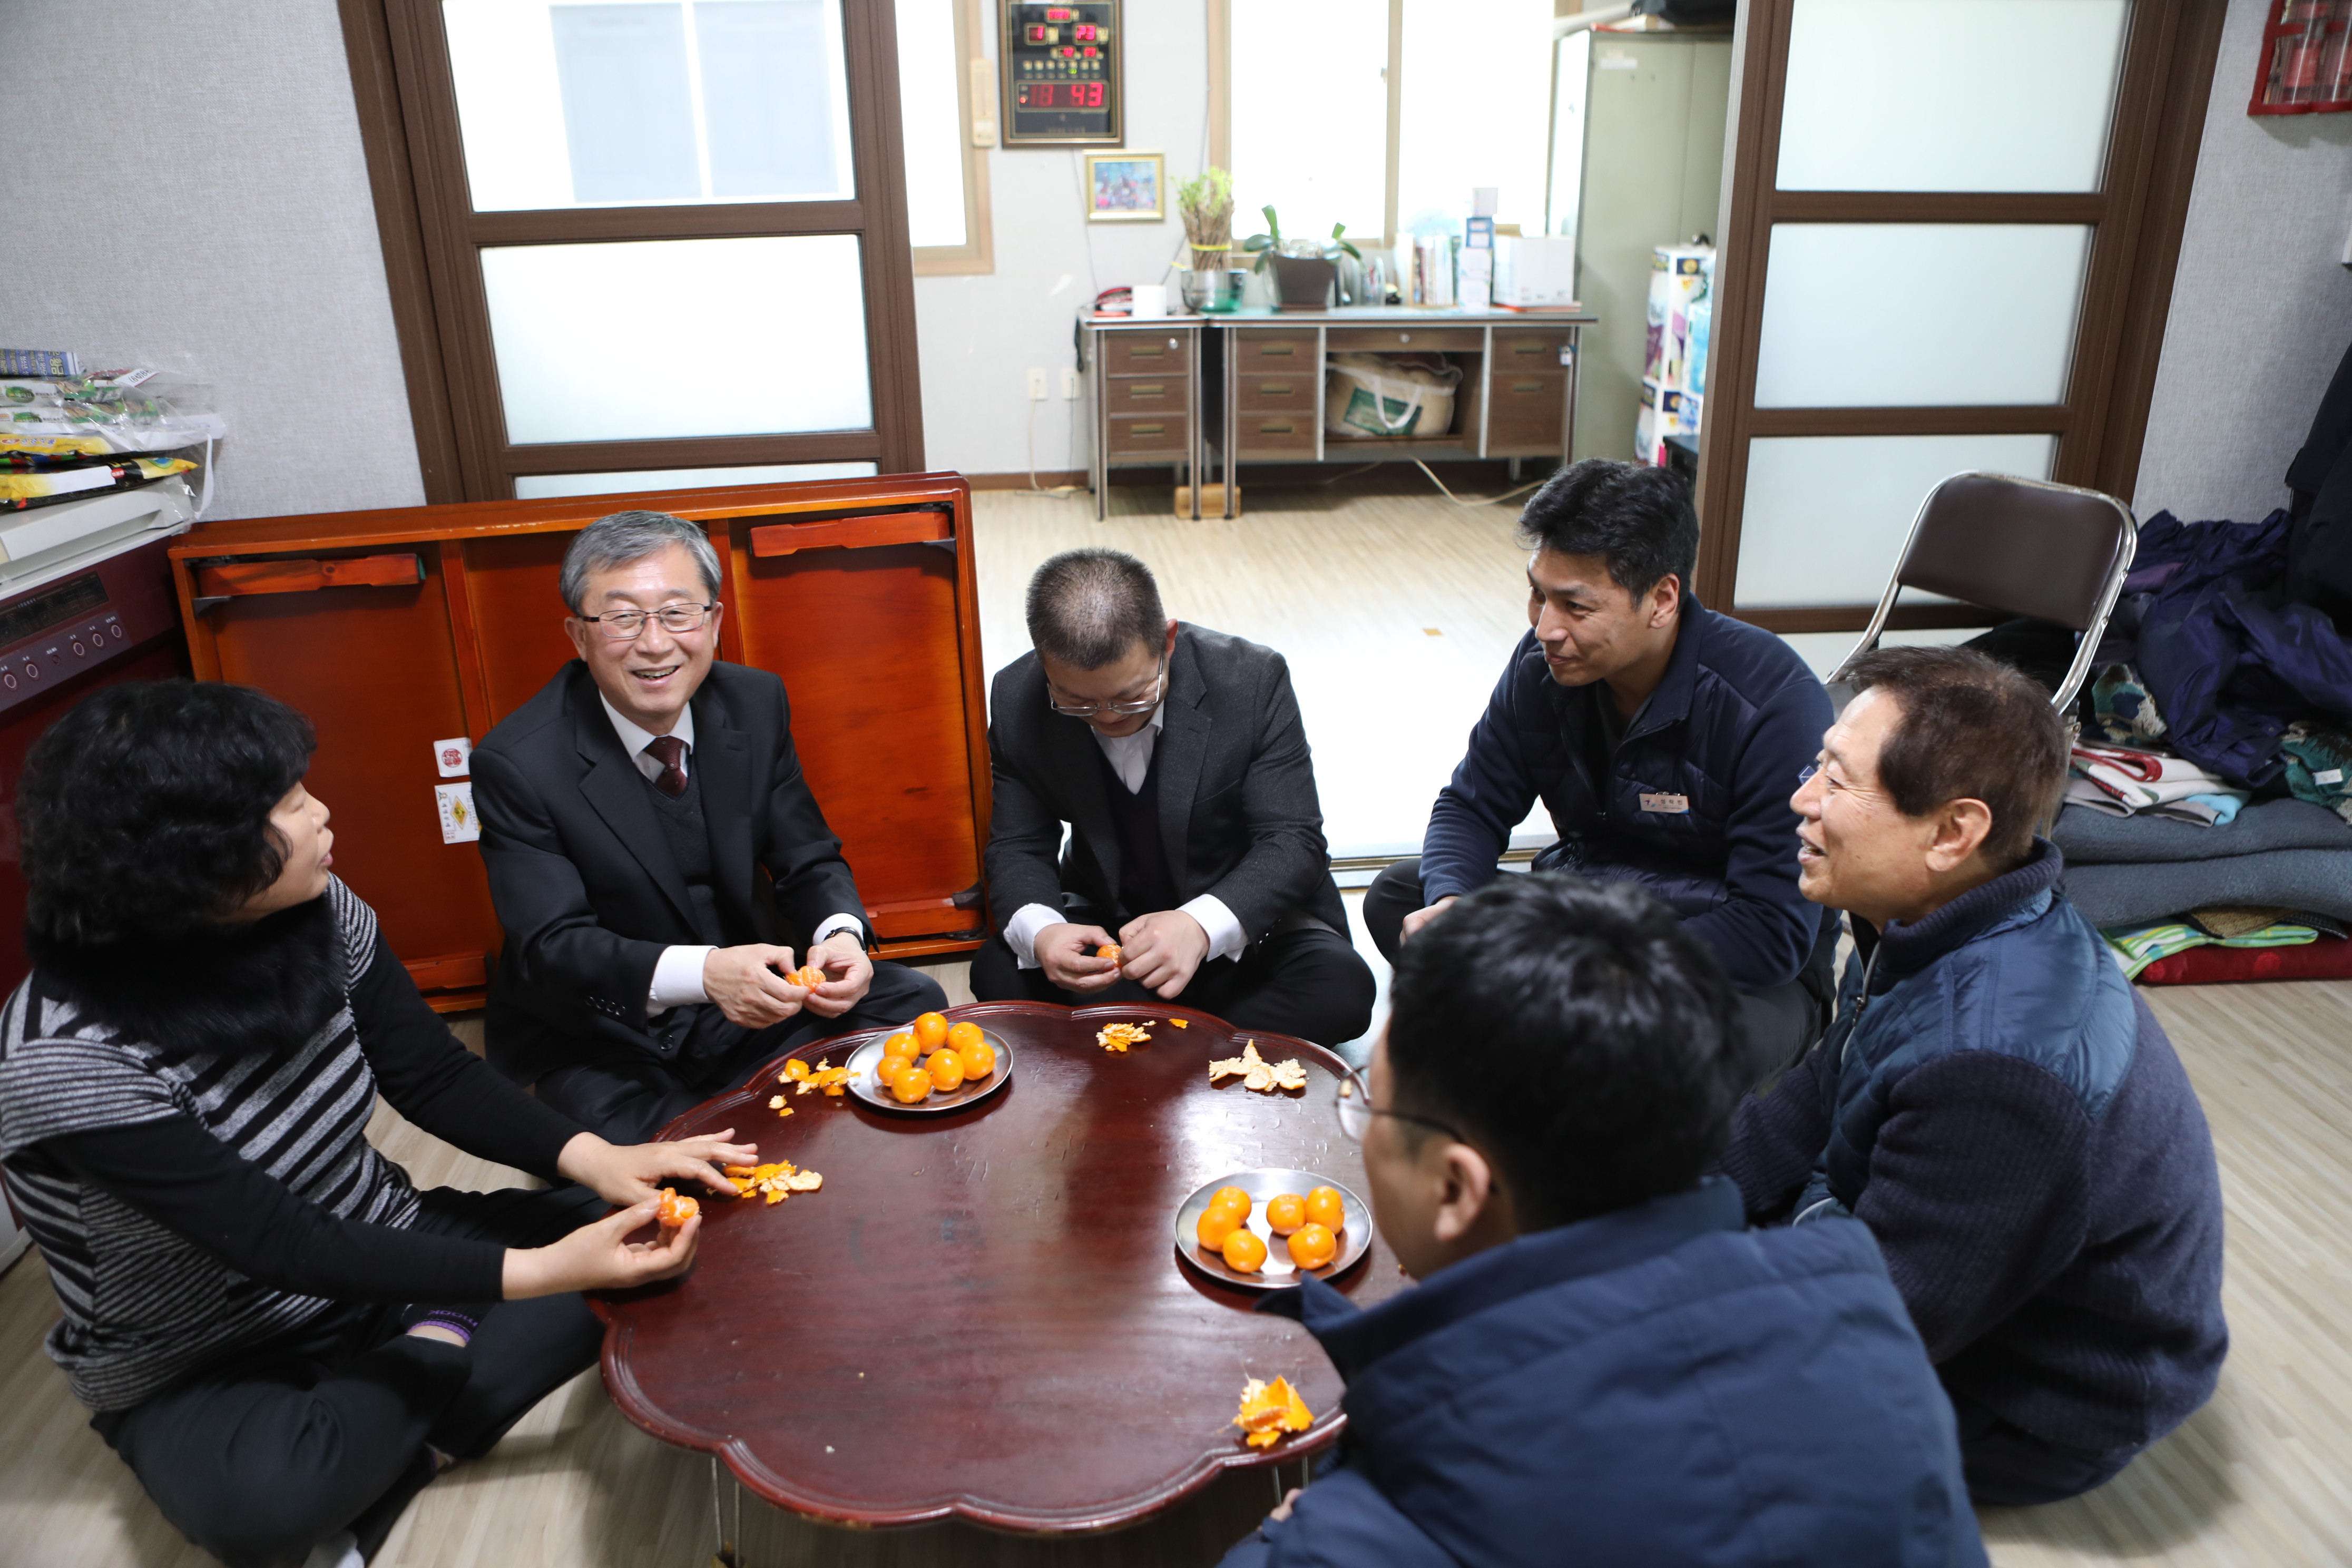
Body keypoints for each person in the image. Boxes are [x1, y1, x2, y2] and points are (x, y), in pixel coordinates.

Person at [0, 681, 757, 1568]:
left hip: (386, 1241)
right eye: (287, 802)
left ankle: (403, 1424)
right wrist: (544, 1272)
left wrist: (605, 1160)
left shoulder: (315, 908)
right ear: (188, 857)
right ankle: (448, 1342)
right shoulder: (64, 1057)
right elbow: (276, 1241)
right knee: (261, 1510)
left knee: (691, 1228)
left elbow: (431, 1075)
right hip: (206, 1350)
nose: (322, 813)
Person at [1220, 874, 1987, 1568]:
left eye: (1369, 1108)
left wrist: (1297, 1536)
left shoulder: (1392, 1517)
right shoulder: (1869, 1312)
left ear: (1456, 1187)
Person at [1716, 646, 2229, 1506]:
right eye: (1817, 766)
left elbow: (1865, 1323)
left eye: (1836, 782)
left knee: (1615, 1407)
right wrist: (1648, 1206)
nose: (1800, 800)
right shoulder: (1927, 920)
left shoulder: (1996, 1066)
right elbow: (1802, 1110)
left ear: (1952, 832)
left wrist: (1641, 1288)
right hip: (1929, 1272)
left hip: (2031, 1400)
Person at [471, 510, 947, 1143]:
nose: (655, 643)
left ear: (714, 622)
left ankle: (740, 1110)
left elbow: (809, 856)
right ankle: (757, 1111)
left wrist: (842, 937)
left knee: (915, 1002)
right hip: (611, 1030)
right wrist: (704, 975)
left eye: (677, 613)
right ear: (578, 637)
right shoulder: (519, 762)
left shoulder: (754, 703)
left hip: (757, 999)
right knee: (610, 1156)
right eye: (622, 617)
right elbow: (553, 946)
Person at [1364, 459, 1837, 1078]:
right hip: (1586, 914)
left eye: (1575, 606)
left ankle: (1539, 1035)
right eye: (1538, 592)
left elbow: (1770, 933)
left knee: (1685, 1054)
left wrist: (1567, 955)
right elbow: (1471, 807)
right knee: (1403, 896)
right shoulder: (1543, 666)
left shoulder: (1770, 701)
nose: (1545, 627)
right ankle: (1547, 1037)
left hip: (1722, 965)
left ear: (1663, 599)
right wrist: (1454, 900)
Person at [972, 549, 1375, 1046]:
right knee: (997, 971)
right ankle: (1199, 1046)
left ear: (1167, 639)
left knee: (1342, 991)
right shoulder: (1018, 697)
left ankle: (1133, 1042)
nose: (1107, 719)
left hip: (1244, 930)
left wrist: (1200, 926)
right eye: (1077, 702)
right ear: (1043, 660)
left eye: (1131, 696)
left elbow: (1293, 840)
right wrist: (1045, 932)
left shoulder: (1251, 679)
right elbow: (1018, 845)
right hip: (1112, 933)